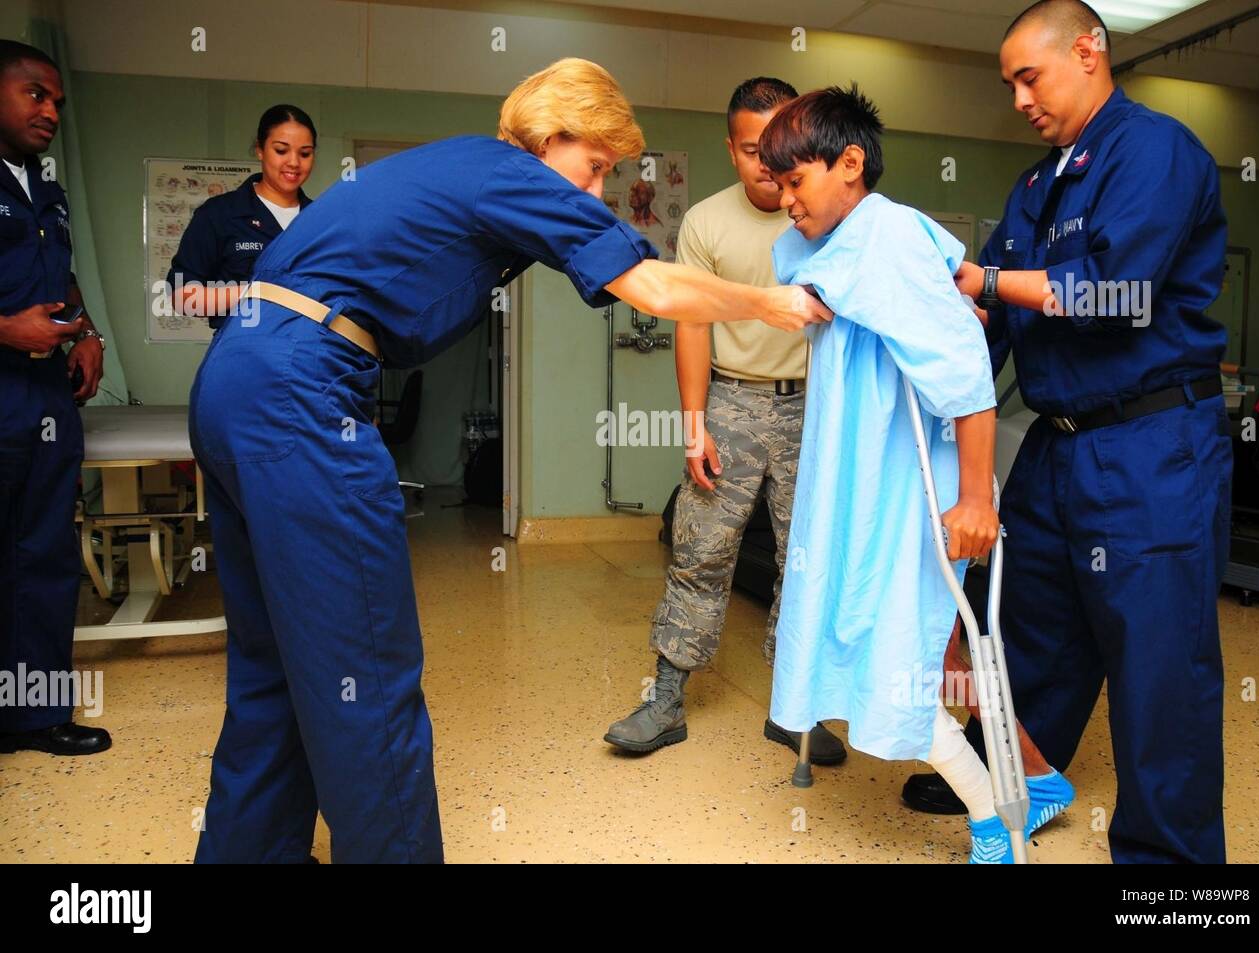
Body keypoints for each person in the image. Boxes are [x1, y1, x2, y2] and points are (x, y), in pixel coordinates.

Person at [190, 57, 831, 864]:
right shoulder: (512, 171)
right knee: (365, 668)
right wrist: (775, 301)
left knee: (273, 662)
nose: (596, 189)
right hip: (299, 393)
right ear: (554, 134)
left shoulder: (463, 165)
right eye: (596, 165)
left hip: (235, 379)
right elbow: (659, 290)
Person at [907, 0, 1233, 864]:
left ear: (1088, 52)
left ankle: (1175, 883)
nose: (1018, 98)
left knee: (1158, 672)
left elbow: (1113, 294)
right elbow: (994, 329)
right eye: (1008, 82)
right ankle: (1030, 779)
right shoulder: (1036, 185)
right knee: (1001, 627)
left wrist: (984, 276)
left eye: (1028, 76)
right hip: (1056, 445)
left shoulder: (1153, 150)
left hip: (1150, 445)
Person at [758, 84, 1019, 862]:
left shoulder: (893, 234)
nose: (784, 201)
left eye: (795, 181)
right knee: (849, 636)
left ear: (850, 162)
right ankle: (1005, 798)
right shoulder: (817, 243)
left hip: (909, 485)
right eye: (775, 184)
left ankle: (993, 819)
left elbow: (968, 376)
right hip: (848, 477)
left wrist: (976, 498)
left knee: (900, 658)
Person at [605, 77, 846, 767]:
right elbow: (692, 326)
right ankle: (666, 701)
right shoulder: (707, 222)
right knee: (700, 550)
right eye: (750, 150)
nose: (767, 168)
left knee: (808, 561)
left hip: (814, 405)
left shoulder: (826, 216)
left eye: (778, 149)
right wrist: (693, 424)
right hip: (733, 403)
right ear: (730, 147)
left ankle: (796, 711)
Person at [0, 41, 109, 757]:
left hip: (45, 398)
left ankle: (34, 716)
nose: (50, 111)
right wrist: (7, 327)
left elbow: (60, 278)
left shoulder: (48, 189)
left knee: (43, 557)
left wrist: (87, 332)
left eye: (58, 102)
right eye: (35, 94)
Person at [168, 104, 316, 330]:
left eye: (305, 153)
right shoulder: (220, 214)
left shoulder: (321, 220)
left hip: (308, 353)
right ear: (260, 149)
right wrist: (256, 292)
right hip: (244, 352)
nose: (294, 162)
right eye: (281, 150)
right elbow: (181, 296)